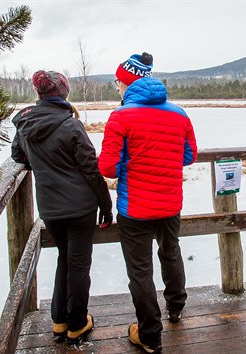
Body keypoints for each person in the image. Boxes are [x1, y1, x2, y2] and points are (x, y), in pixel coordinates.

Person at [98, 52, 198, 353]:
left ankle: (150, 335)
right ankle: (176, 307)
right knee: (170, 253)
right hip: (170, 203)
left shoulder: (120, 117)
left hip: (135, 209)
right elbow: (189, 155)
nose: (116, 86)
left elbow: (107, 168)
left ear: (127, 82)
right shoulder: (179, 113)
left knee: (140, 271)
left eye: (117, 81)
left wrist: (130, 161)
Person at [11, 70, 113, 345]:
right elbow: (91, 169)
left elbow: (18, 156)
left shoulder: (25, 124)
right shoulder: (71, 125)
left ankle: (59, 321)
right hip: (80, 208)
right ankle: (77, 324)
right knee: (78, 265)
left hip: (50, 208)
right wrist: (106, 204)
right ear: (64, 93)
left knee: (64, 259)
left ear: (40, 94)